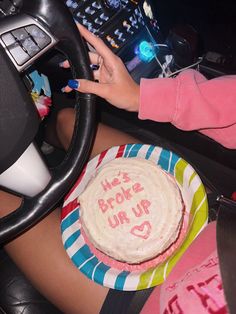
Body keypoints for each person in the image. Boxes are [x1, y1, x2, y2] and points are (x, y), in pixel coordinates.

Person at [0, 23, 235, 314]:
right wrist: (143, 97)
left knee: (3, 205)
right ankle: (41, 139)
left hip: (147, 305)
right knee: (68, 122)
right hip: (207, 221)